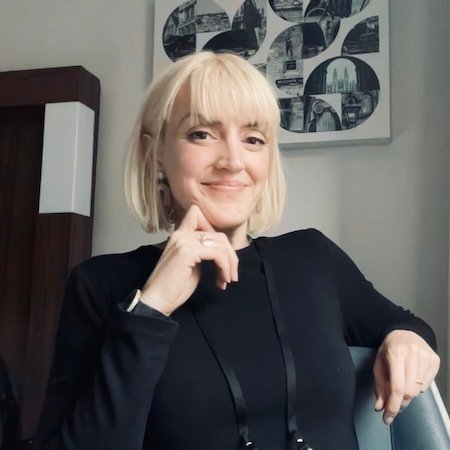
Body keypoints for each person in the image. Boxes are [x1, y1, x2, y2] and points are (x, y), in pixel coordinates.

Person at [34, 51, 440, 450]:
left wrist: (405, 338)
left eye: (253, 139)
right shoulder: (100, 284)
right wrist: (151, 310)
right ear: (156, 152)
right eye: (201, 134)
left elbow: (405, 324)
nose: (232, 161)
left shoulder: (313, 258)